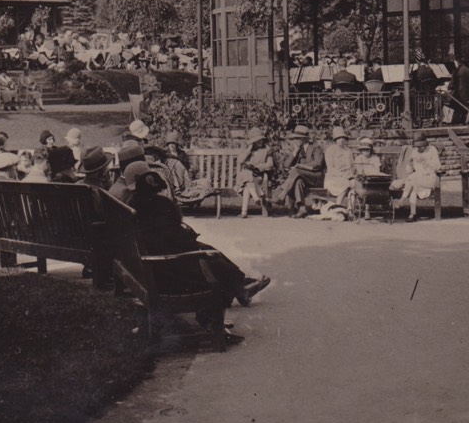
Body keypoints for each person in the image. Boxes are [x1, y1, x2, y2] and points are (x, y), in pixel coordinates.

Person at [122, 162, 270, 344]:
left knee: (207, 250)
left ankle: (241, 285)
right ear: (149, 180)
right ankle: (235, 291)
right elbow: (177, 241)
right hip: (170, 273)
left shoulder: (130, 205)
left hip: (150, 271)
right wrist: (188, 237)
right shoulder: (159, 205)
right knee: (210, 257)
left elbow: (164, 238)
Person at [274, 125, 324, 218]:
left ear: (305, 139)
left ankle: (282, 195)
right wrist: (295, 152)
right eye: (294, 139)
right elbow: (286, 165)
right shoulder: (298, 149)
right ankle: (302, 208)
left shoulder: (316, 147)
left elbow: (318, 164)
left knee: (296, 171)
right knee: (298, 181)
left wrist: (300, 166)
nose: (295, 141)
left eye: (298, 138)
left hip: (316, 177)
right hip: (302, 177)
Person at [394, 134, 443, 222]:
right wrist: (409, 164)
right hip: (417, 179)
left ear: (425, 144)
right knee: (413, 186)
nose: (419, 148)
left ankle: (402, 200)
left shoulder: (432, 150)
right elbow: (409, 170)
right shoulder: (415, 152)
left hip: (430, 178)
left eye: (421, 146)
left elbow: (438, 167)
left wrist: (426, 161)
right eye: (417, 146)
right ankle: (412, 214)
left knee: (412, 178)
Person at [236, 127, 274, 219]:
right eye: (258, 140)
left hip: (258, 177)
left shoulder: (266, 151)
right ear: (253, 142)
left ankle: (244, 211)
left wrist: (257, 166)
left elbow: (270, 165)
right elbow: (240, 161)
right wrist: (249, 149)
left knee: (247, 183)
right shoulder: (248, 151)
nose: (261, 142)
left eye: (261, 140)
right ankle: (255, 198)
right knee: (247, 175)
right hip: (248, 178)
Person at [322, 126, 357, 207]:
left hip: (347, 176)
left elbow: (352, 165)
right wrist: (342, 175)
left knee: (355, 184)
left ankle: (350, 209)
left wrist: (351, 173)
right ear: (335, 139)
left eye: (343, 138)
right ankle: (337, 206)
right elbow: (330, 168)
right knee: (346, 184)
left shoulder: (348, 150)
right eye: (338, 138)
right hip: (333, 177)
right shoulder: (330, 150)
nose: (341, 140)